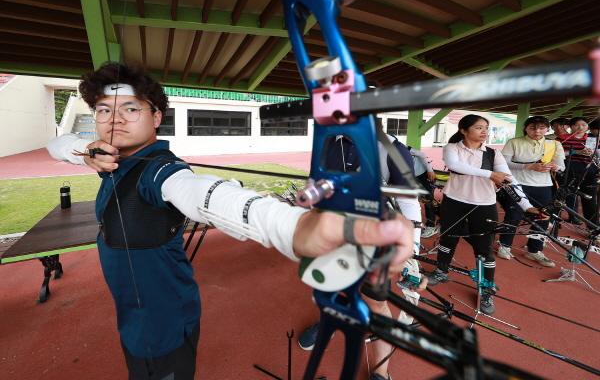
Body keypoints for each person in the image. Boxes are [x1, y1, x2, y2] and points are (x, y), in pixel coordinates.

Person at [46, 63, 414, 380]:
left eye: (130, 109)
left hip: (160, 324)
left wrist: (295, 228)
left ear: (156, 116)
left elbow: (209, 197)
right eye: (103, 111)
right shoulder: (114, 159)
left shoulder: (162, 172)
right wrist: (84, 153)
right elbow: (57, 146)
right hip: (135, 312)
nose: (114, 122)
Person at [297, 134, 421, 380]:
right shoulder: (329, 142)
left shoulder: (392, 149)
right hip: (333, 234)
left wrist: (413, 249)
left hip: (375, 239)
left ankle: (381, 371)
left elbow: (408, 202)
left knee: (376, 303)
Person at [427, 115, 539, 315]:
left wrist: (526, 205)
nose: (484, 131)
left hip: (484, 204)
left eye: (486, 127)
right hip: (454, 201)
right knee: (448, 238)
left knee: (484, 247)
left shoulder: (493, 153)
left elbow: (509, 179)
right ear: (463, 130)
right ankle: (441, 271)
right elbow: (455, 166)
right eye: (478, 127)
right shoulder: (452, 148)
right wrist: (489, 174)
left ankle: (486, 288)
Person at [497, 116, 564, 267]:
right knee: (513, 215)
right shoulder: (514, 142)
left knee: (543, 217)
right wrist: (529, 166)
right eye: (533, 128)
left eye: (541, 128)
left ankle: (534, 250)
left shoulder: (554, 144)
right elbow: (504, 163)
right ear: (526, 128)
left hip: (544, 185)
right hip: (517, 184)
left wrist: (555, 167)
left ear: (548, 129)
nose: (537, 131)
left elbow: (561, 166)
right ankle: (505, 245)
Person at [557, 117, 599, 228]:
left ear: (587, 127)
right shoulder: (561, 138)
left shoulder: (593, 139)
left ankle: (593, 229)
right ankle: (553, 222)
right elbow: (557, 155)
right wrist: (577, 151)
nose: (580, 127)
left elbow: (598, 154)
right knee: (559, 197)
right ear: (571, 126)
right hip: (568, 172)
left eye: (584, 125)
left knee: (590, 200)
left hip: (589, 172)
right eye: (576, 125)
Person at [408, 147, 439, 238]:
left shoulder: (400, 147)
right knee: (416, 199)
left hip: (423, 174)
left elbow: (422, 154)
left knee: (428, 200)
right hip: (412, 176)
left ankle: (431, 226)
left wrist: (430, 170)